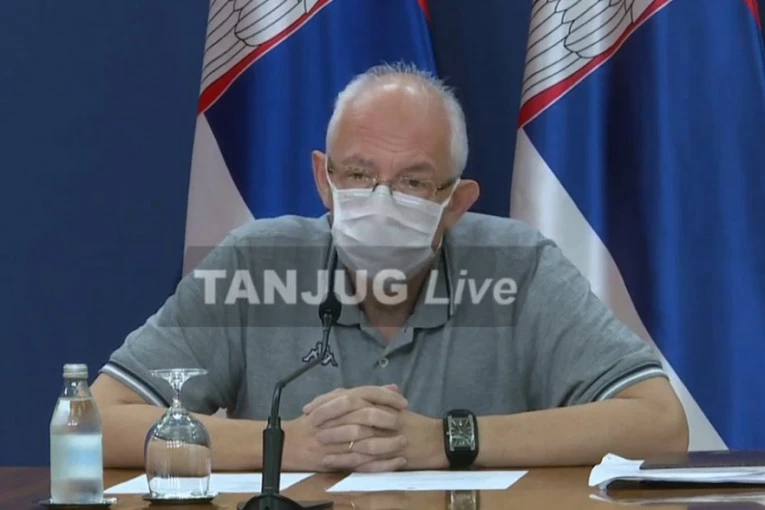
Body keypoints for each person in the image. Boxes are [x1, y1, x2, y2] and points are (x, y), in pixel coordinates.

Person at [91, 62, 689, 473]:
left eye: (413, 183)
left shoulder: (517, 267)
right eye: (358, 174)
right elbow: (94, 423)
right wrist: (287, 445)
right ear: (323, 179)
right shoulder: (257, 261)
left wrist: (447, 440)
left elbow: (660, 424)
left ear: (456, 202)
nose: (380, 200)